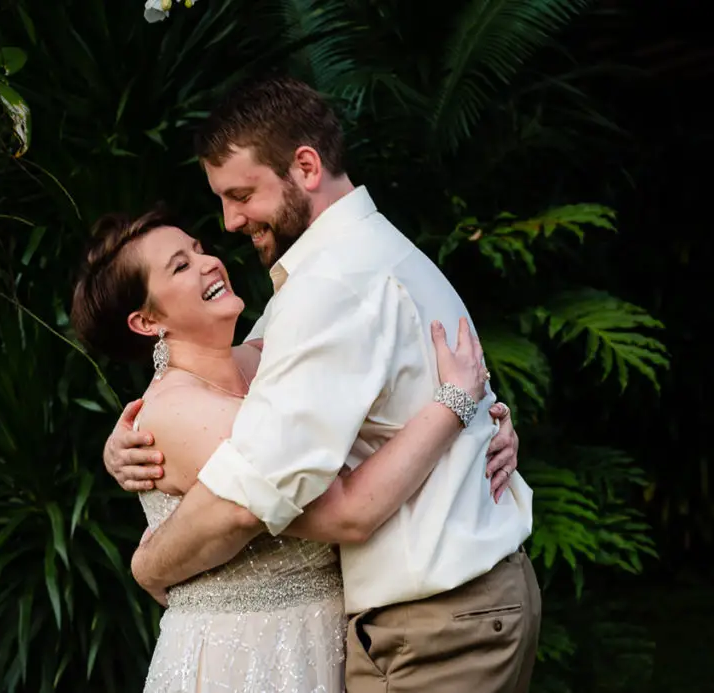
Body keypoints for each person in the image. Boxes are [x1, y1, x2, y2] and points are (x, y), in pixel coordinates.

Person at [102, 74, 541, 692]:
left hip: (440, 622)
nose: (229, 224)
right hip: (429, 615)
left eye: (241, 194)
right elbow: (228, 381)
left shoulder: (331, 288)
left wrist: (150, 563)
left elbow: (248, 501)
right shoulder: (346, 266)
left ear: (305, 166)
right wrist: (120, 445)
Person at [73, 210, 517, 691]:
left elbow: (383, 380)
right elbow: (345, 510)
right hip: (248, 656)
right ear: (146, 321)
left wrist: (488, 422)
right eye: (180, 266)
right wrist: (454, 403)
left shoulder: (267, 356)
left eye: (199, 249)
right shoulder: (178, 412)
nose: (209, 264)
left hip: (331, 637)